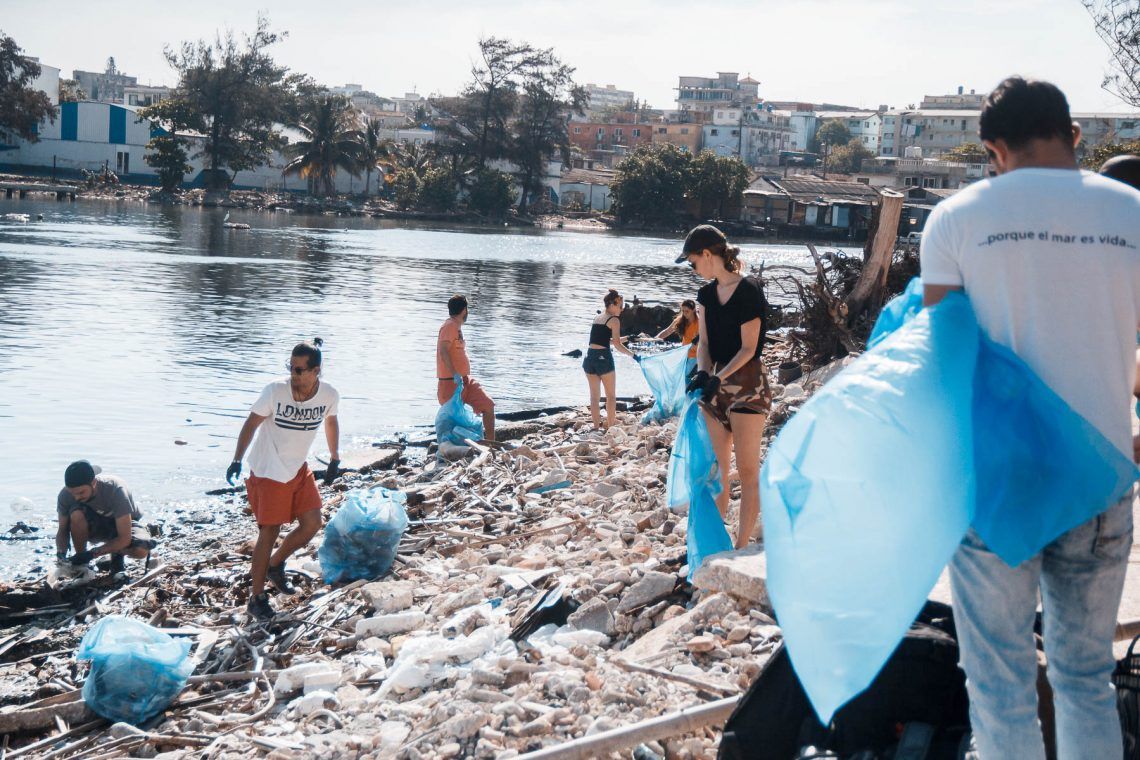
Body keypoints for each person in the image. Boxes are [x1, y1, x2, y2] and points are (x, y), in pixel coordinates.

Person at [921, 77, 1140, 760]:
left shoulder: (954, 219)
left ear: (993, 148)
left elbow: (945, 358)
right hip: (1102, 475)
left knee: (999, 688)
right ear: (1074, 135)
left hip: (997, 480)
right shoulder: (1134, 211)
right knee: (1085, 679)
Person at [227, 339, 341, 621]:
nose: (294, 374)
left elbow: (331, 421)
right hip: (269, 471)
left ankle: (275, 565)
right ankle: (256, 598)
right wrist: (237, 459)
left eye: (300, 370)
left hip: (297, 468)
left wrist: (335, 457)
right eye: (291, 368)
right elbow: (251, 423)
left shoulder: (328, 394)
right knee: (269, 532)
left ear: (316, 371)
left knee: (313, 523)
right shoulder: (275, 391)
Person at [679, 225, 771, 550]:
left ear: (707, 255)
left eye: (692, 262)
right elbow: (703, 343)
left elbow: (749, 348)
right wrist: (704, 375)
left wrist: (721, 376)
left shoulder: (750, 291)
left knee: (747, 471)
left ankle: (742, 544)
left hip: (747, 385)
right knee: (717, 472)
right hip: (716, 387)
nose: (693, 269)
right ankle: (717, 543)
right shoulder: (705, 296)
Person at [56, 460, 153, 575]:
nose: (76, 497)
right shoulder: (65, 495)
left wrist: (93, 553)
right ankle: (81, 562)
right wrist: (61, 553)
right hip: (95, 526)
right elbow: (62, 530)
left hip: (124, 525)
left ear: (93, 483)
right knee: (76, 514)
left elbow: (124, 538)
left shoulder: (115, 490)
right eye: (73, 493)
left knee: (141, 551)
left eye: (81, 492)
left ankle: (117, 555)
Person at [437, 294, 495, 441]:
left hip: (465, 381)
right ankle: (450, 449)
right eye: (467, 309)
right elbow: (443, 350)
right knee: (453, 422)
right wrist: (455, 373)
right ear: (464, 310)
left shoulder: (457, 327)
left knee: (488, 405)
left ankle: (490, 444)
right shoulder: (449, 326)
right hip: (451, 383)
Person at [583, 289, 639, 430]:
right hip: (603, 359)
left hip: (589, 358)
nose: (622, 309)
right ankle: (611, 428)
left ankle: (596, 428)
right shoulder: (614, 320)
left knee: (594, 397)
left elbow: (606, 340)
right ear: (612, 304)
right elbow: (617, 345)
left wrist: (628, 338)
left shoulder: (598, 318)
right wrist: (633, 355)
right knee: (611, 397)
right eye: (620, 306)